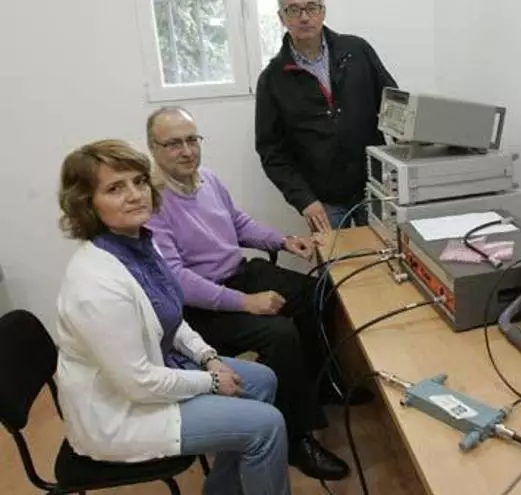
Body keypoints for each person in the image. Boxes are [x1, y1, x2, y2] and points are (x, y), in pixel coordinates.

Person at [54, 139, 291, 495]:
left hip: (160, 369)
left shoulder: (141, 242)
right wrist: (211, 382)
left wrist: (208, 358)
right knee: (266, 426)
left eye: (139, 181)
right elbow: (138, 384)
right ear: (87, 204)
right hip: (124, 414)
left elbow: (171, 316)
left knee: (263, 380)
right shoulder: (96, 284)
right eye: (115, 188)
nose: (135, 195)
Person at [145, 106, 358, 481]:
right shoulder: (152, 203)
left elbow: (238, 224)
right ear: (154, 148)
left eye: (192, 140)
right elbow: (177, 280)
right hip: (201, 307)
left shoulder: (208, 179)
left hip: (239, 274)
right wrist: (246, 302)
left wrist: (283, 241)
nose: (187, 151)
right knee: (280, 334)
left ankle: (322, 384)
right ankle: (296, 438)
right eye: (174, 143)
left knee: (320, 293)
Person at [256, 0, 397, 233]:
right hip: (323, 202)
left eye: (312, 7)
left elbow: (393, 105)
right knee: (333, 258)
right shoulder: (272, 79)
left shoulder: (357, 51)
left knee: (385, 252)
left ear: (323, 11)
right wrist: (304, 200)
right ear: (282, 18)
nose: (304, 17)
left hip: (374, 188)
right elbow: (271, 152)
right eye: (294, 10)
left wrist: (413, 158)